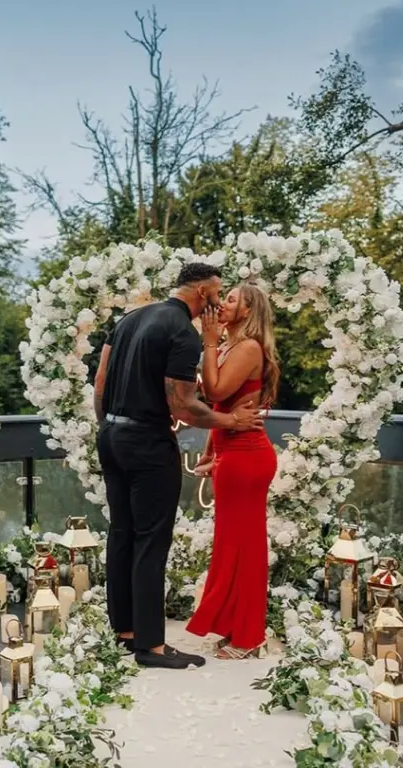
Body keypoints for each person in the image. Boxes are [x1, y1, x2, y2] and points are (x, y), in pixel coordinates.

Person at [93, 263, 264, 669]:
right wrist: (230, 421)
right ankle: (151, 646)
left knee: (121, 533)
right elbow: (184, 405)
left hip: (111, 437)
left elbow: (100, 381)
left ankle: (125, 631)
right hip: (148, 444)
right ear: (202, 291)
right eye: (218, 293)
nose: (220, 301)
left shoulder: (131, 318)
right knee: (151, 540)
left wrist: (109, 428)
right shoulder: (182, 333)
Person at [186, 283, 280, 659]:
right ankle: (232, 626)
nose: (220, 304)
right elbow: (220, 407)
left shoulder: (248, 348)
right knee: (231, 547)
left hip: (248, 458)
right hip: (231, 456)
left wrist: (208, 342)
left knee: (246, 547)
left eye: (229, 299)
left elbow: (215, 388)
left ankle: (248, 636)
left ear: (248, 310)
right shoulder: (229, 346)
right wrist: (212, 454)